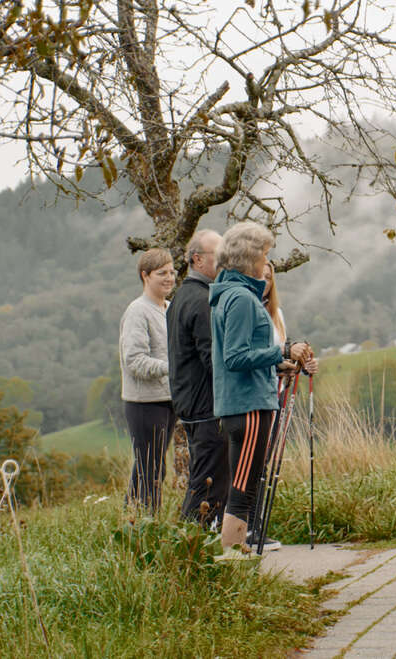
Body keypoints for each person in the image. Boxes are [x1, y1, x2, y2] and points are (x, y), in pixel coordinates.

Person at [209, 222, 311, 556]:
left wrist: (278, 363)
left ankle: (234, 556)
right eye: (265, 254)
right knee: (244, 488)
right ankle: (233, 559)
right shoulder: (240, 298)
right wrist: (281, 351)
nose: (267, 261)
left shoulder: (231, 294)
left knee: (244, 484)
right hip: (249, 404)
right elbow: (236, 357)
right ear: (250, 258)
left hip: (243, 402)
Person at [167, 229, 230, 530]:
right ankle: (188, 544)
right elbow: (212, 359)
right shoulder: (202, 301)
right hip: (206, 405)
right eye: (217, 255)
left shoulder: (182, 296)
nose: (223, 261)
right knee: (208, 481)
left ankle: (198, 541)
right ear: (197, 258)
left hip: (191, 402)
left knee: (205, 477)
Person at [119, 248, 177, 513]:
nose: (169, 278)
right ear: (145, 276)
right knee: (149, 469)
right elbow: (134, 361)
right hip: (144, 403)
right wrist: (174, 367)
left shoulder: (169, 308)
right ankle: (141, 527)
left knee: (154, 468)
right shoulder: (137, 311)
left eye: (172, 272)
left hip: (167, 400)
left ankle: (137, 521)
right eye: (161, 273)